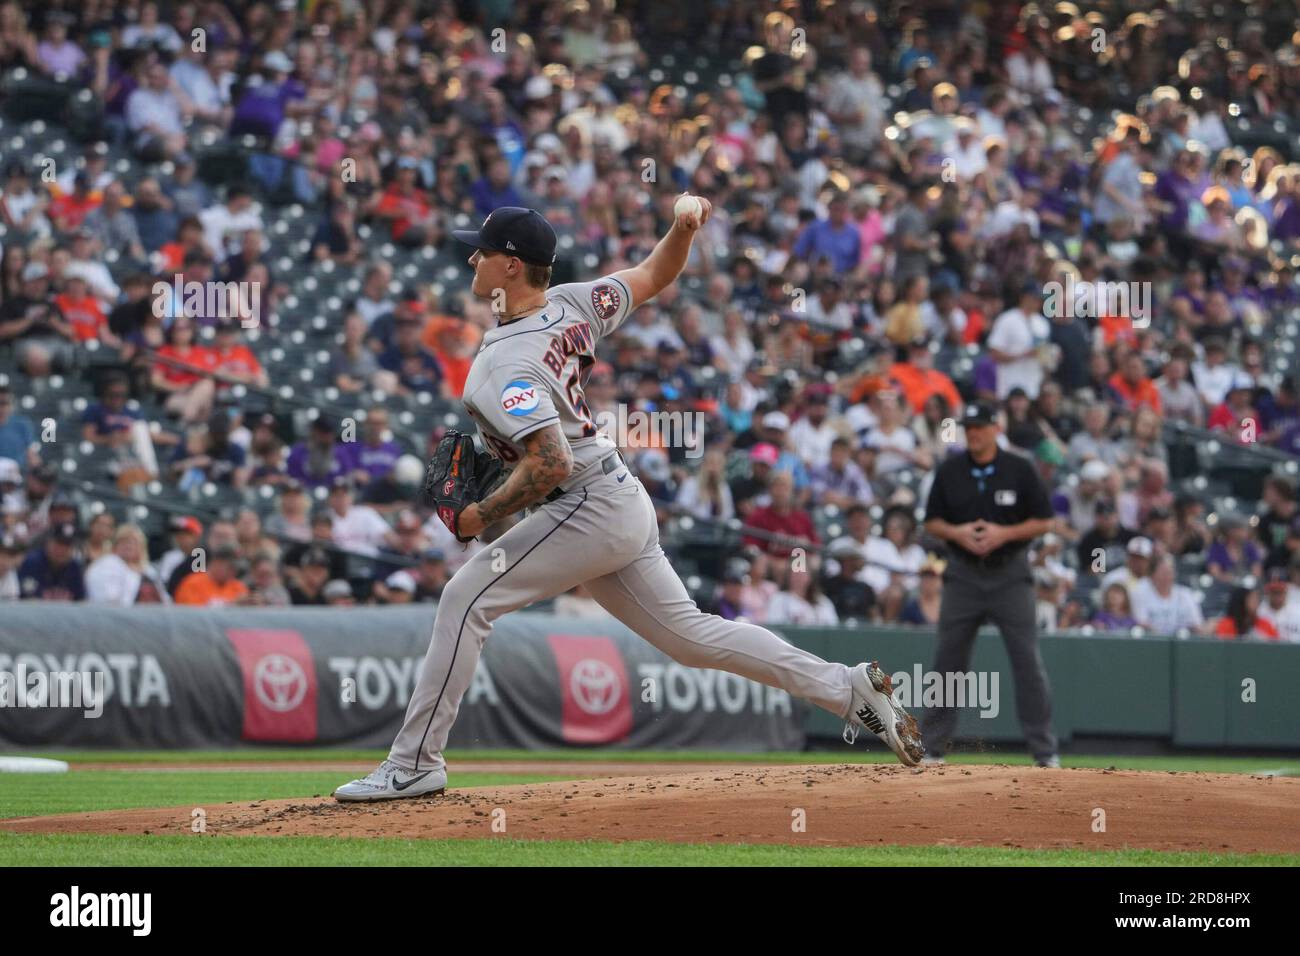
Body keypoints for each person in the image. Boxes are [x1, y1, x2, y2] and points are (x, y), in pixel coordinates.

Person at [334, 201, 923, 802]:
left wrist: (479, 516)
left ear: (511, 266)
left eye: (482, 251)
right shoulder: (572, 303)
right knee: (692, 638)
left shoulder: (508, 362)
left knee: (464, 600)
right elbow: (654, 275)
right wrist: (683, 230)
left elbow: (551, 462)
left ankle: (414, 764)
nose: (471, 258)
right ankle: (847, 689)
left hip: (584, 502)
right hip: (616, 498)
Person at [920, 399, 1058, 767]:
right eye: (969, 428)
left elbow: (1045, 521)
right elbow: (931, 521)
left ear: (996, 428)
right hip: (963, 572)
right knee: (947, 661)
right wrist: (958, 532)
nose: (973, 434)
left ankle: (1044, 752)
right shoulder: (951, 470)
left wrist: (1004, 533)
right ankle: (931, 748)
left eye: (980, 427)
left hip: (1010, 572)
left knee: (1027, 661)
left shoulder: (1019, 468)